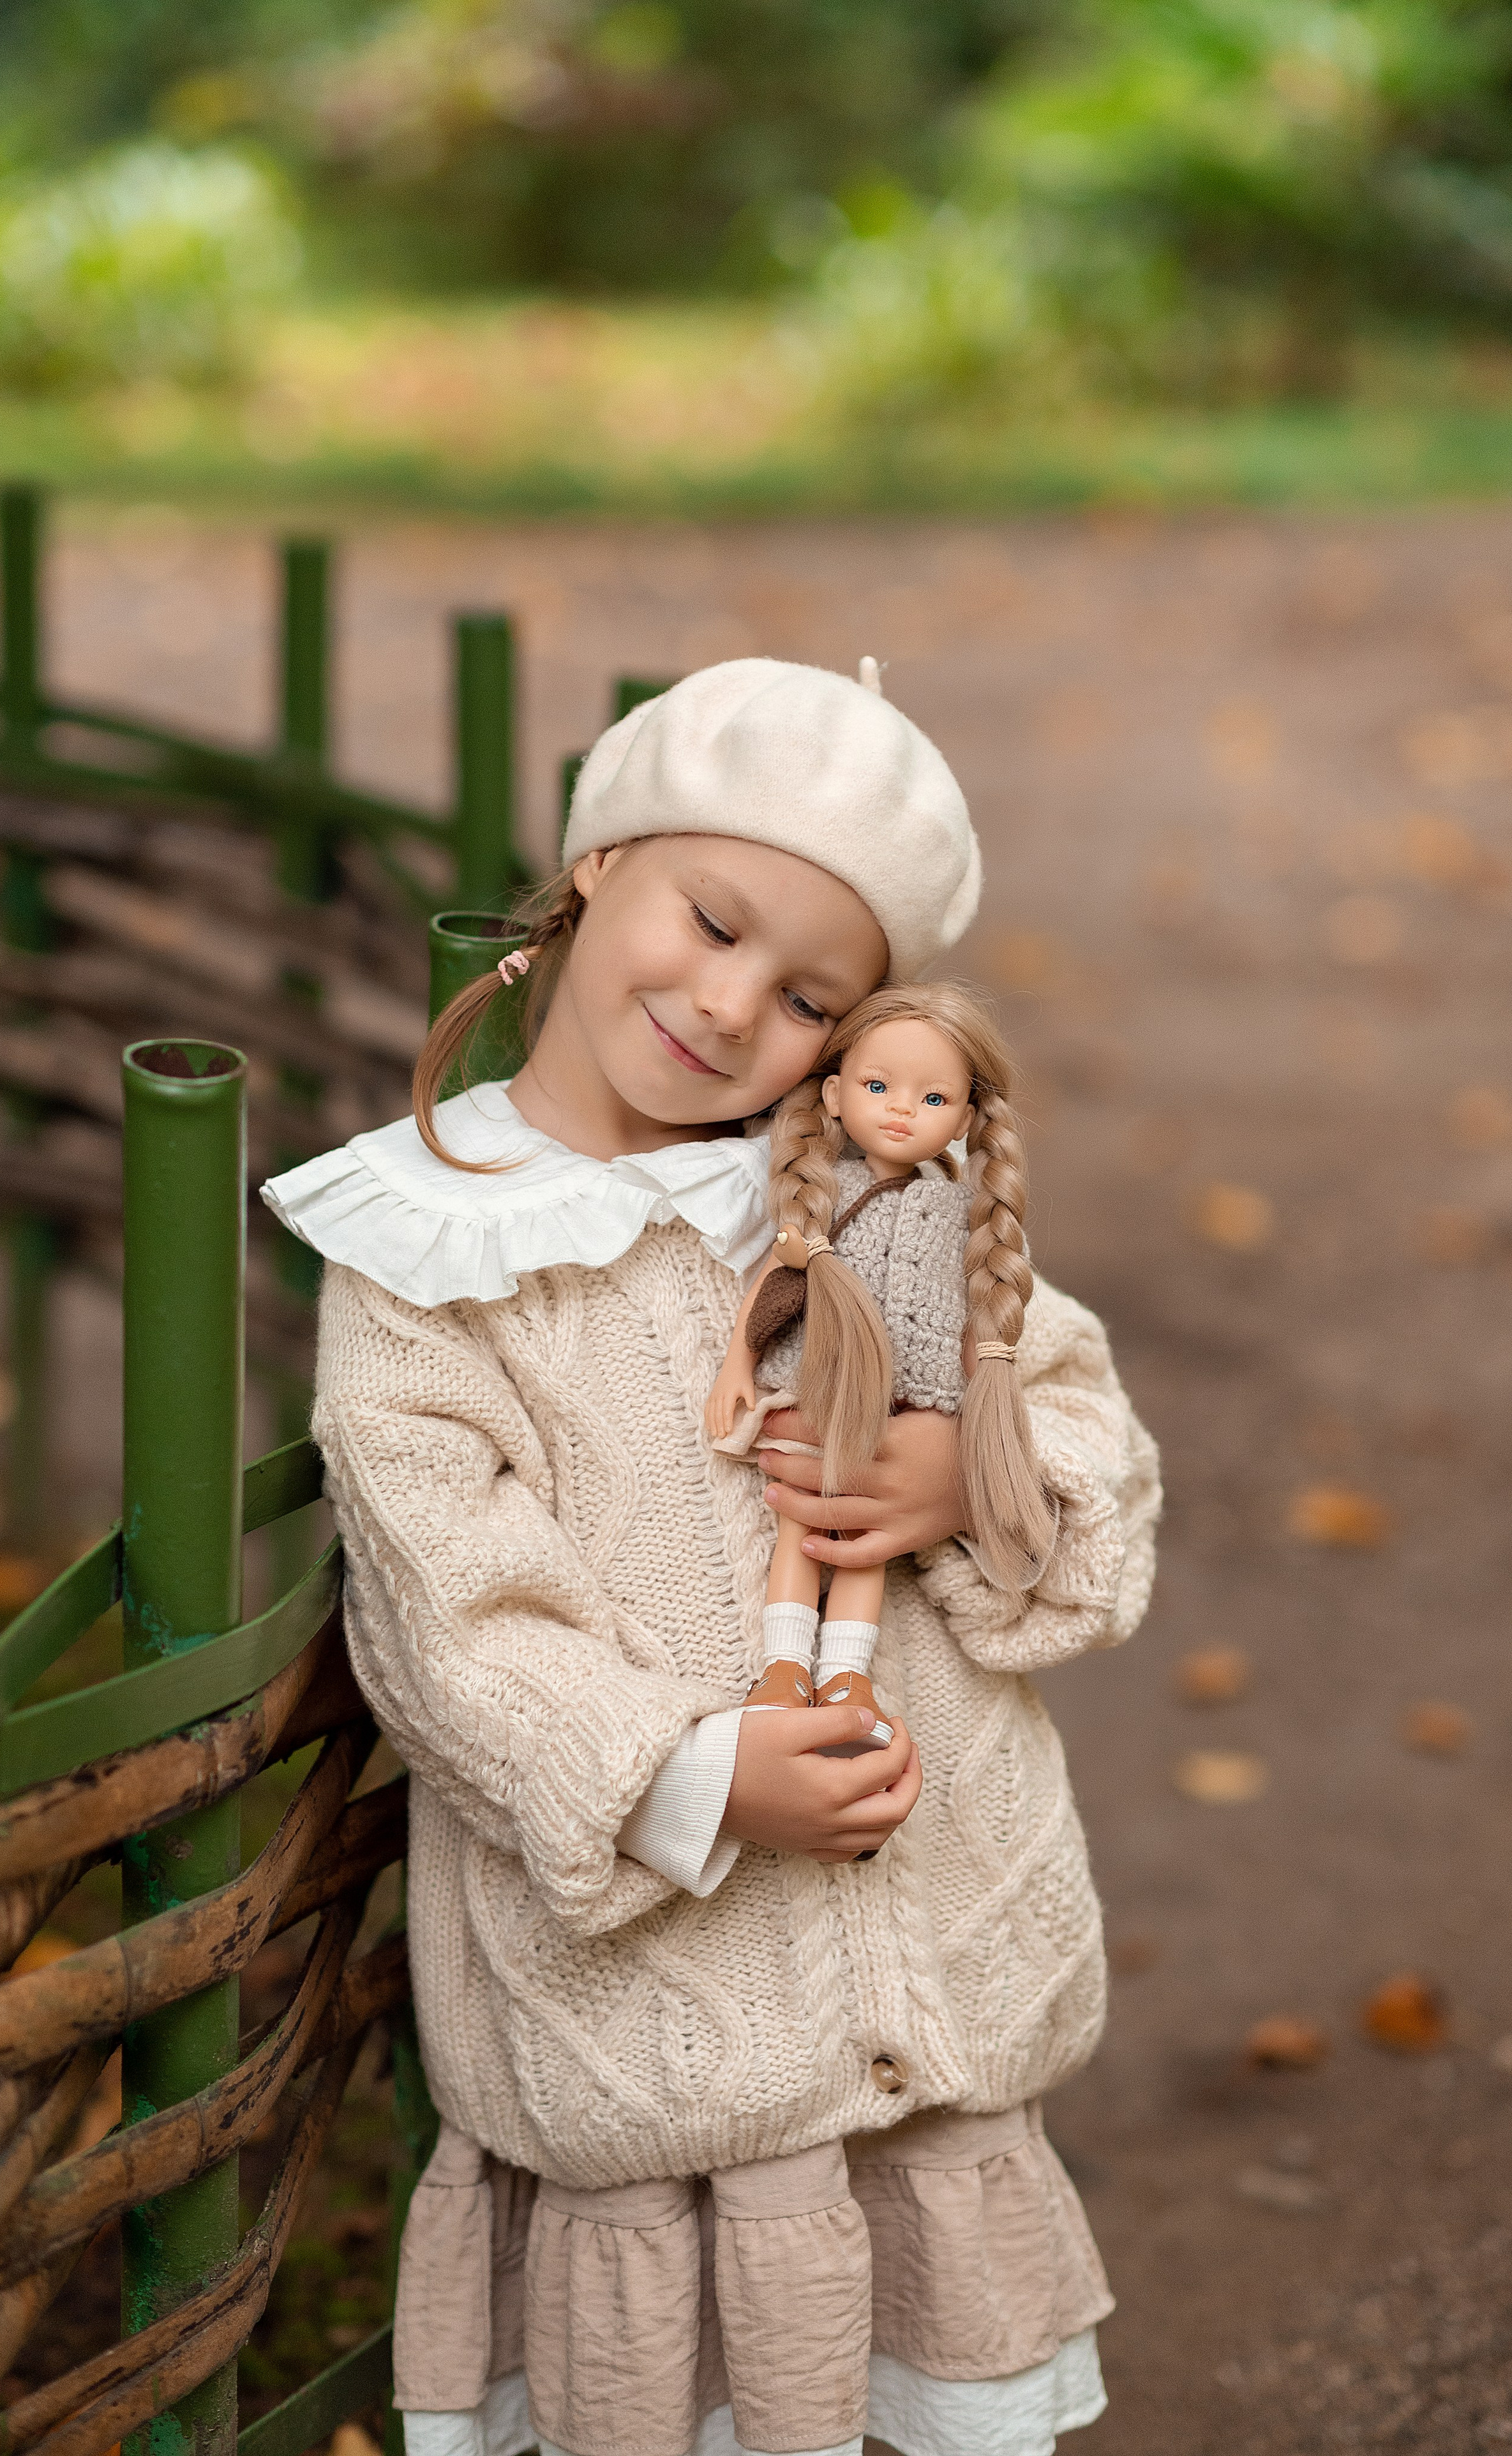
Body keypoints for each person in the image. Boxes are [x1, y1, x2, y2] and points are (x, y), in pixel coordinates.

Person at [263, 655, 1161, 2456]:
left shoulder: (868, 1192)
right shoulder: (429, 1258)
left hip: (935, 2019)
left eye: (807, 994)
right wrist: (690, 1778)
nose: (729, 1002)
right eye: (712, 918)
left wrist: (960, 1478)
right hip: (666, 2043)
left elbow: (1077, 1419)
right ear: (596, 869)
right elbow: (455, 1624)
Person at [706, 980, 1057, 1752]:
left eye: (931, 1097)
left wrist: (979, 1413)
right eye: (877, 1086)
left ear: (965, 1119)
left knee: (866, 1545)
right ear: (833, 1096)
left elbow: (987, 1319)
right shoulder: (826, 1200)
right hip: (820, 1387)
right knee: (801, 1525)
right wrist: (739, 1361)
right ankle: (784, 1666)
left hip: (907, 1409)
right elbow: (778, 1277)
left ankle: (845, 1673)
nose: (900, 1109)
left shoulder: (970, 1219)